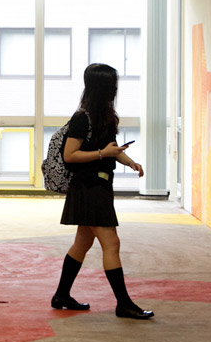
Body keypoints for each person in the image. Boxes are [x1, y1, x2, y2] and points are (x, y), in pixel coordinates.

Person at [50, 63, 151, 320]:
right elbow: (70, 155)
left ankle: (61, 295)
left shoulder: (106, 116)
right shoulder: (82, 118)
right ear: (101, 87)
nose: (115, 89)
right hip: (88, 187)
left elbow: (111, 148)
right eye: (111, 84)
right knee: (111, 243)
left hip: (100, 186)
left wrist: (129, 162)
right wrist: (101, 154)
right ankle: (123, 303)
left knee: (82, 243)